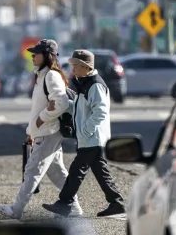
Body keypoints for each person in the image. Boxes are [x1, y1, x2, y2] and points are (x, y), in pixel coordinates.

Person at [0, 39, 82, 220]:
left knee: (32, 170)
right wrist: (32, 130)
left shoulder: (51, 76)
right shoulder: (44, 75)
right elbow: (41, 106)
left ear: (47, 56)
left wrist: (42, 120)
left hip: (48, 131)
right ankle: (74, 207)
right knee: (57, 173)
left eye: (36, 53)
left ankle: (16, 209)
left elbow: (61, 103)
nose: (32, 56)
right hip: (46, 130)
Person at [42, 49, 126, 218]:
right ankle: (116, 203)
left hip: (92, 138)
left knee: (76, 171)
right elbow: (83, 108)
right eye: (73, 65)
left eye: (76, 66)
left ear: (86, 67)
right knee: (100, 172)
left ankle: (64, 203)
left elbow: (100, 112)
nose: (73, 69)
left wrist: (86, 130)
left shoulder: (95, 84)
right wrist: (67, 105)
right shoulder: (85, 82)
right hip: (90, 138)